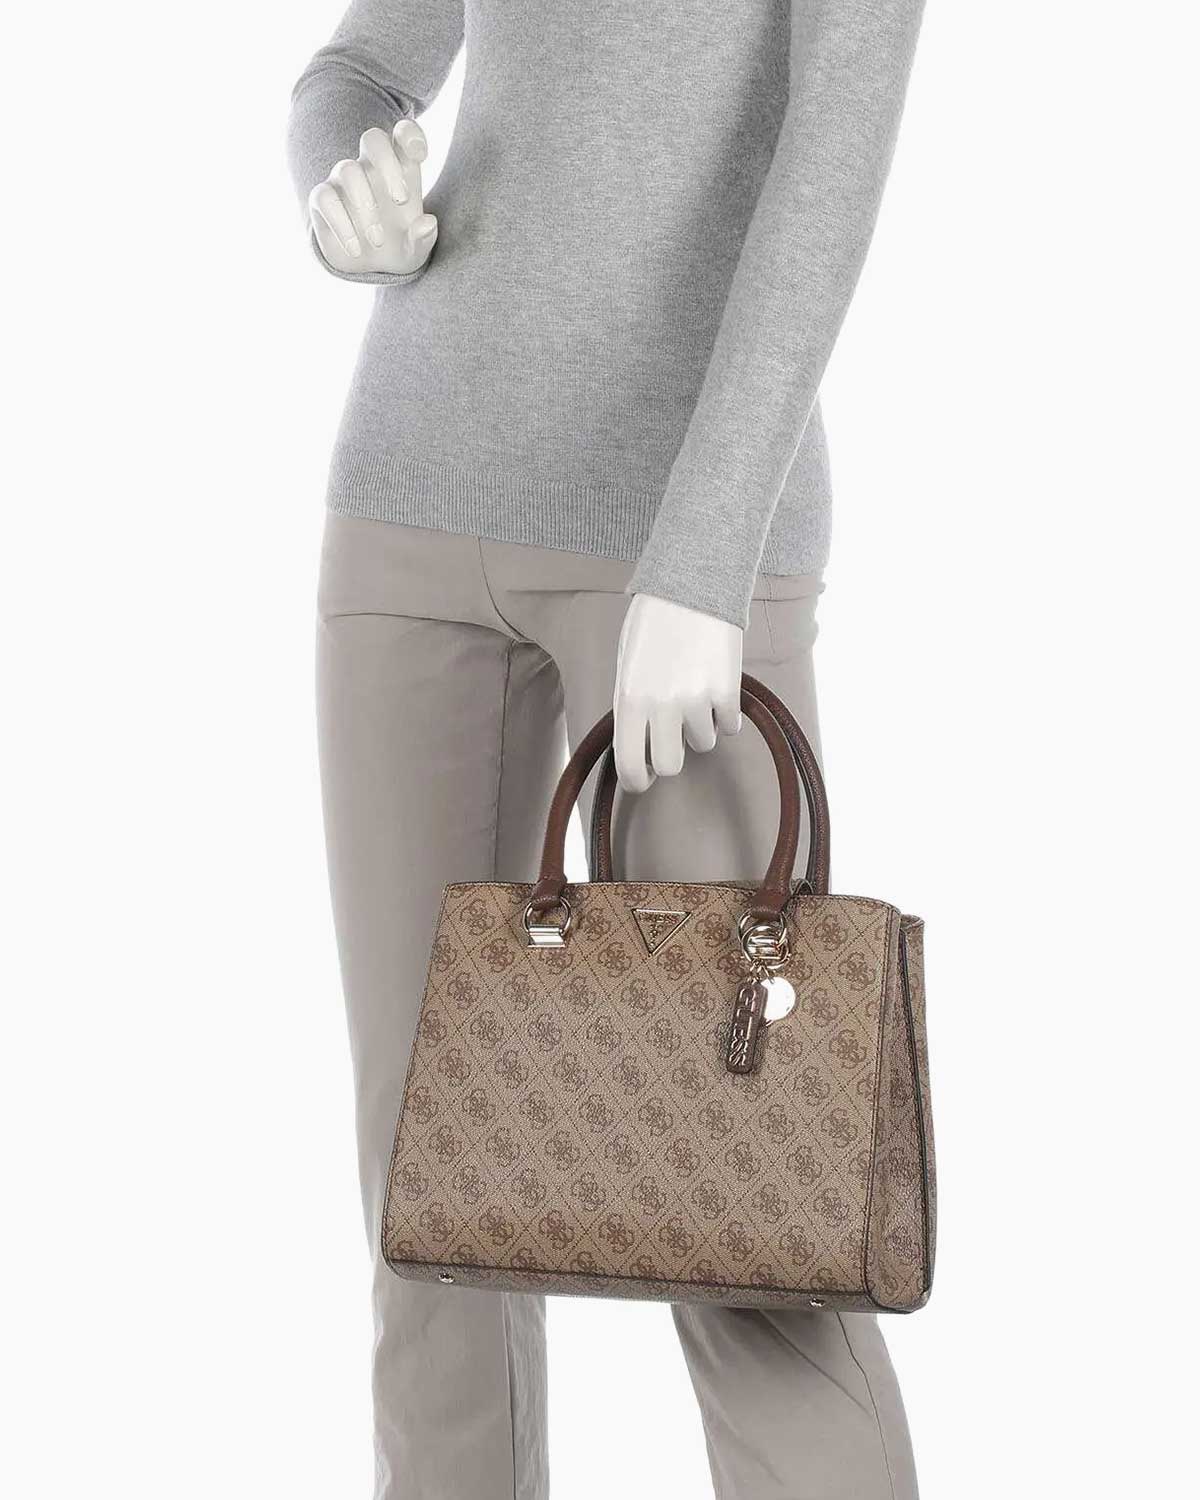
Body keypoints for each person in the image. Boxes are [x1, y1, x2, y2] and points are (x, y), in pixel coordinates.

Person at [287, 2, 926, 1495]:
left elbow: (832, 163)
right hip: (405, 505)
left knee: (752, 1219)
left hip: (680, 563)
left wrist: (705, 559)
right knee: (424, 1204)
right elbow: (358, 68)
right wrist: (343, 191)